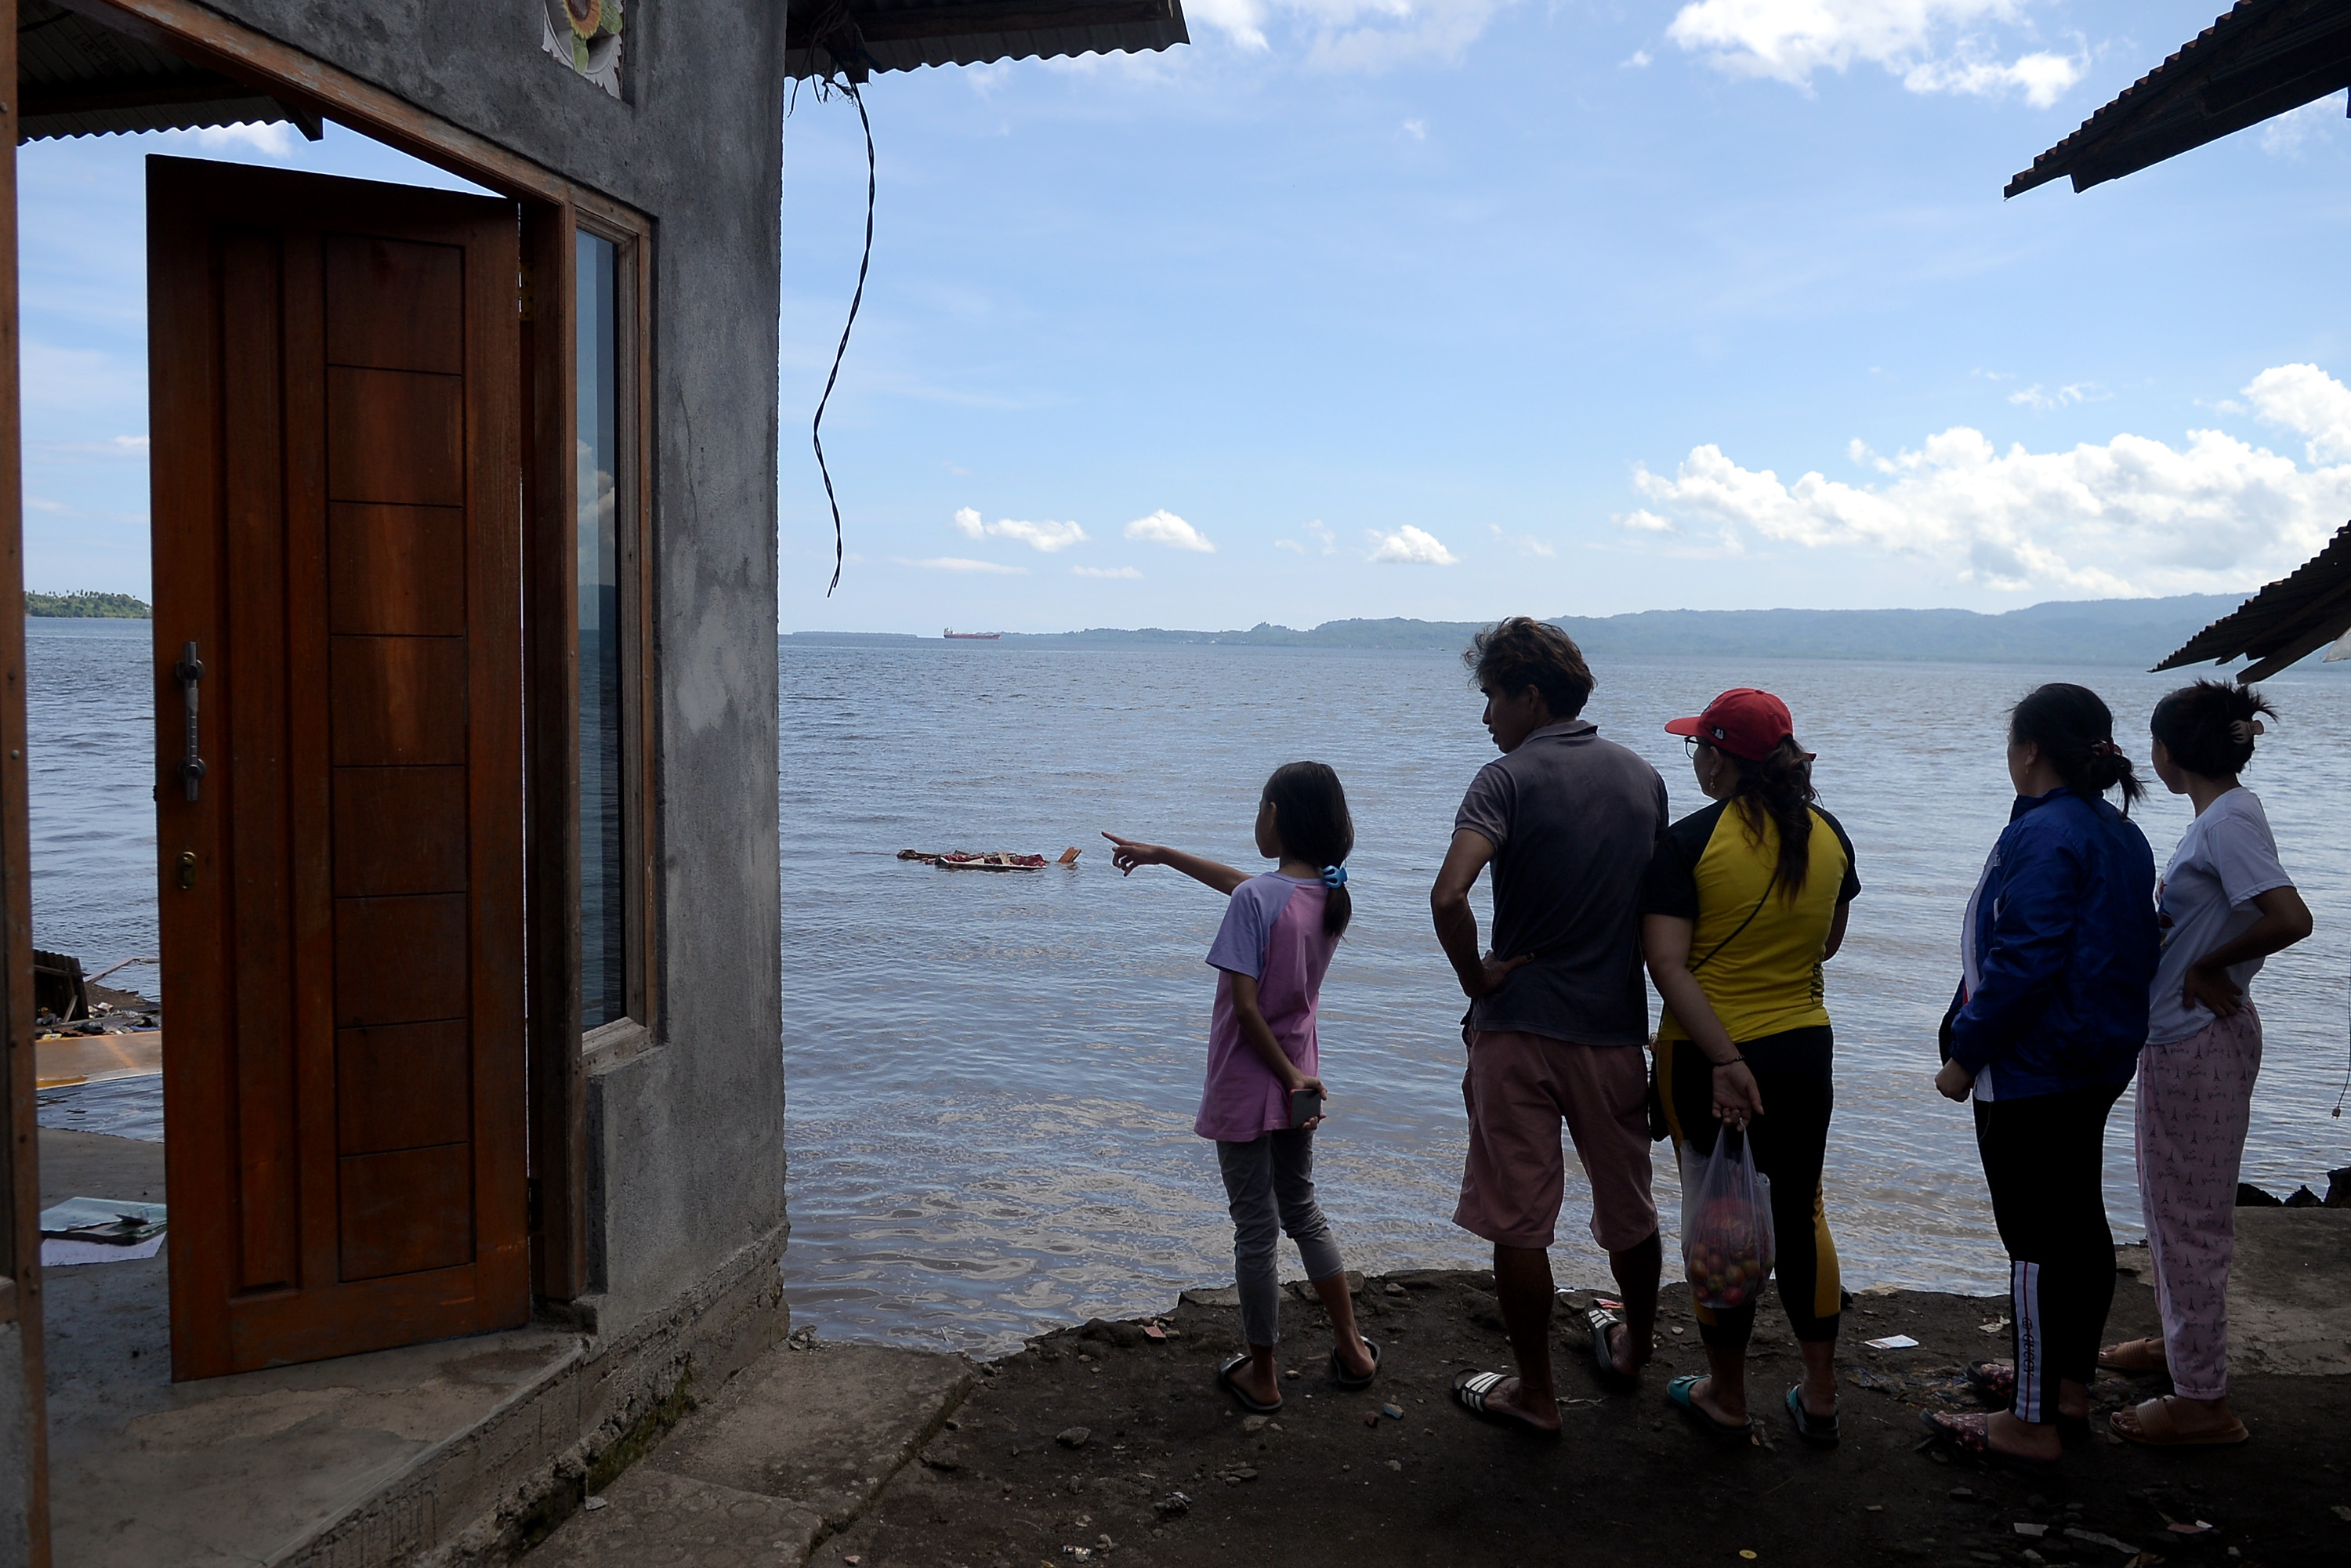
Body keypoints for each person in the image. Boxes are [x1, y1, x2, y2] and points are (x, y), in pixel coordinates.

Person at [1430, 617, 1668, 1439]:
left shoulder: (1504, 780)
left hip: (1518, 1027)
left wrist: (1477, 976)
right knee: (1629, 1207)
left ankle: (1536, 1394)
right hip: (1610, 1032)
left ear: (1529, 694)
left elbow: (1449, 896)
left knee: (1518, 1218)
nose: (1486, 715)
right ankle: (1634, 1347)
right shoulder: (1643, 779)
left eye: (1493, 695)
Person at [1924, 683, 2159, 1472]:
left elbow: (2024, 957)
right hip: (2096, 1059)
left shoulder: (2046, 832)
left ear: (2029, 750)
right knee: (2077, 1224)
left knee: (2030, 1240)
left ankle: (2031, 1421)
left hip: (2033, 1065)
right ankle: (2062, 1385)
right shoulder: (2119, 834)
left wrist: (1965, 1055)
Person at [1103, 761, 1378, 1415]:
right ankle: (1352, 1348)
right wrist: (1164, 855)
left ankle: (1264, 1375)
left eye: (1261, 804)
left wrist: (1282, 1075)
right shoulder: (1327, 895)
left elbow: (1247, 1008)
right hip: (1301, 1080)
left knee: (1255, 1230)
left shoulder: (1261, 900)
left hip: (1253, 1080)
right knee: (1303, 1211)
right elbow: (1248, 888)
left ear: (1277, 815)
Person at [1642, 689, 1858, 1447]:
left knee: (1719, 1215)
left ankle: (1727, 1395)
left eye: (1699, 747)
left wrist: (1726, 1058)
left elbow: (1667, 966)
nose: (1695, 759)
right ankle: (1821, 1393)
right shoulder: (1830, 836)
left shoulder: (1688, 842)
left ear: (1722, 759)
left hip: (1706, 1056)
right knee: (1802, 1211)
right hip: (1804, 1047)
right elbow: (1826, 945)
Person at [2103, 682, 2310, 1447]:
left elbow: (2291, 917)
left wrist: (2209, 968)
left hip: (2197, 1037)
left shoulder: (2228, 822)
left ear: (2167, 752)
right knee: (2171, 1204)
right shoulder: (2223, 817)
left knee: (2188, 1217)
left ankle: (2203, 1402)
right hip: (2185, 1036)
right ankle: (2180, 1348)